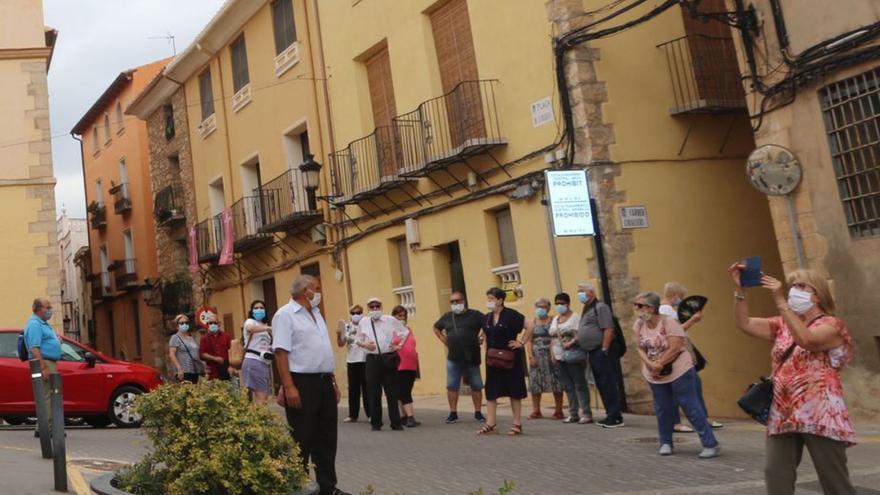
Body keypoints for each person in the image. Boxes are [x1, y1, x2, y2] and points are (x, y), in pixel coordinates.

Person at [729, 264, 856, 495]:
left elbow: (808, 340)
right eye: (791, 286)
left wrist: (781, 302)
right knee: (775, 474)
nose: (792, 291)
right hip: (784, 412)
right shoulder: (782, 324)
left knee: (834, 481)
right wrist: (740, 291)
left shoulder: (832, 325)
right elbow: (744, 324)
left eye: (800, 286)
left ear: (816, 294)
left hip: (821, 412)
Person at [273, 275, 350, 495]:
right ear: (305, 290)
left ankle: (328, 487)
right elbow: (281, 352)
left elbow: (323, 350)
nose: (318, 293)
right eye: (316, 288)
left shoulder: (316, 313)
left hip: (323, 381)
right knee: (302, 437)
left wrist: (333, 381)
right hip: (302, 383)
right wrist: (288, 386)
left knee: (326, 437)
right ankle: (298, 486)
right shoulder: (285, 315)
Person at [633, 291, 720, 458]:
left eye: (640, 306)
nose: (636, 309)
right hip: (654, 373)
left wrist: (659, 364)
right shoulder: (639, 325)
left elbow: (675, 347)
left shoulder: (669, 323)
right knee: (662, 409)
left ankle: (710, 443)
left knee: (690, 406)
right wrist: (650, 364)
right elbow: (639, 347)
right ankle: (665, 442)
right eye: (635, 305)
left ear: (651, 307)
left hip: (679, 369)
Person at [659, 282, 722, 433]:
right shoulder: (665, 310)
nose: (681, 300)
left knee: (693, 384)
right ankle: (679, 422)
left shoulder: (667, 309)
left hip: (679, 351)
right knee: (683, 386)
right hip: (676, 352)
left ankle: (700, 418)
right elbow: (674, 331)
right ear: (675, 296)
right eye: (681, 297)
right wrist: (693, 320)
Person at [478, 288, 529, 436]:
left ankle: (517, 423)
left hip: (510, 358)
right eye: (488, 298)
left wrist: (522, 342)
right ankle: (491, 424)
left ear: (500, 300)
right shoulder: (487, 317)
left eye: (491, 299)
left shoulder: (512, 315)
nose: (489, 302)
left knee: (514, 390)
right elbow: (484, 334)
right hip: (493, 359)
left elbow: (530, 325)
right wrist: (482, 341)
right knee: (491, 392)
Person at [355, 297, 409, 431]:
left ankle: (395, 422)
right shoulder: (364, 322)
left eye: (377, 306)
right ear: (368, 309)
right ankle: (376, 422)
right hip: (372, 359)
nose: (375, 309)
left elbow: (404, 331)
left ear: (381, 307)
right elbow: (357, 339)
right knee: (373, 392)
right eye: (372, 307)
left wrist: (399, 345)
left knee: (392, 392)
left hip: (388, 357)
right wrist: (365, 345)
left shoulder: (389, 320)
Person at [576, 283, 625, 428]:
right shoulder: (587, 308)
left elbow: (608, 329)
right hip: (592, 352)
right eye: (578, 292)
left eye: (582, 291)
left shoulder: (600, 307)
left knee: (608, 383)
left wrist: (604, 348)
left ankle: (615, 416)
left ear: (591, 292)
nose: (579, 294)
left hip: (602, 351)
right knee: (601, 384)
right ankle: (610, 413)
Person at [433, 291, 486, 423]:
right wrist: (444, 340)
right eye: (452, 302)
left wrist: (482, 336)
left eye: (457, 301)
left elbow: (488, 323)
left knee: (476, 384)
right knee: (452, 385)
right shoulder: (447, 317)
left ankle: (478, 412)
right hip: (453, 356)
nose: (455, 304)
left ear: (464, 301)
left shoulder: (475, 315)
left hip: (472, 355)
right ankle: (453, 412)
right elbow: (436, 327)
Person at [549, 294, 592, 424]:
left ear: (568, 303)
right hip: (558, 355)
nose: (559, 306)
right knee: (567, 386)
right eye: (557, 303)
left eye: (562, 303)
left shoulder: (576, 318)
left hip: (573, 354)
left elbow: (581, 334)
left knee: (579, 384)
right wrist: (552, 353)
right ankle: (573, 413)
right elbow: (552, 337)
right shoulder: (556, 319)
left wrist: (571, 342)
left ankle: (586, 412)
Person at [24, 298, 61, 436]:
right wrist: (43, 367)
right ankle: (46, 428)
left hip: (49, 361)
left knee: (50, 395)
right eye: (48, 307)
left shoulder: (43, 324)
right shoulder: (34, 324)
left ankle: (43, 427)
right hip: (44, 362)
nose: (50, 309)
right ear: (39, 309)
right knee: (47, 395)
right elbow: (34, 348)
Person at [525, 297, 564, 420]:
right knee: (535, 382)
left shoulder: (554, 320)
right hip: (537, 354)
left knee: (557, 382)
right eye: (539, 307)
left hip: (551, 353)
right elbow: (529, 340)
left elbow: (557, 336)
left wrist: (555, 353)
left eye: (544, 307)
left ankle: (559, 410)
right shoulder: (532, 322)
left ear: (548, 308)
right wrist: (530, 356)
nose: (541, 309)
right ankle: (536, 410)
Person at [336, 304, 369, 423]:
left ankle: (370, 414)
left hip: (365, 360)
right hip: (352, 360)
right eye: (354, 313)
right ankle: (353, 415)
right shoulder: (347, 327)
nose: (356, 315)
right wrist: (338, 335)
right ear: (350, 314)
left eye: (359, 312)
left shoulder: (366, 326)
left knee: (367, 388)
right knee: (353, 389)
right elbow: (340, 344)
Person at [392, 305, 420, 427]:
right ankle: (410, 417)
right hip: (399, 365)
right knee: (404, 392)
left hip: (411, 365)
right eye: (399, 316)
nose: (402, 318)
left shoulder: (408, 329)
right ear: (394, 317)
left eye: (404, 316)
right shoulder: (391, 330)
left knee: (404, 391)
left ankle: (403, 415)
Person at [242, 300, 273, 404]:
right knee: (261, 395)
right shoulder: (250, 321)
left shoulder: (264, 324)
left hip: (264, 362)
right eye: (256, 308)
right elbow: (250, 329)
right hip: (254, 360)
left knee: (263, 396)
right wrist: (268, 328)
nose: (259, 310)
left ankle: (258, 418)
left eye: (261, 308)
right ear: (252, 311)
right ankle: (261, 418)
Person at [168, 314, 202, 384]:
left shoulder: (191, 338)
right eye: (182, 323)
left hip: (194, 370)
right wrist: (179, 368)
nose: (184, 324)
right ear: (177, 326)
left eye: (186, 323)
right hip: (183, 371)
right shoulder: (175, 338)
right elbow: (172, 355)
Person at [200, 315, 232, 381]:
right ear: (208, 325)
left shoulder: (226, 336)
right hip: (212, 372)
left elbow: (231, 351)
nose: (213, 325)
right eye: (210, 323)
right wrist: (215, 358)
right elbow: (202, 354)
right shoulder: (204, 338)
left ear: (219, 324)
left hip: (226, 370)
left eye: (215, 323)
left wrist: (231, 366)